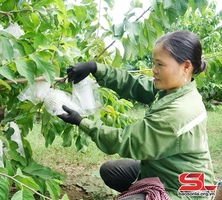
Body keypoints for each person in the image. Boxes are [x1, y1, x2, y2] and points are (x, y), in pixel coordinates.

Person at [58, 30, 216, 199]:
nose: (154, 70)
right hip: (166, 169)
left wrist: (81, 122)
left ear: (186, 67)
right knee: (110, 171)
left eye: (160, 65)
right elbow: (134, 85)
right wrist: (96, 68)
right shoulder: (173, 89)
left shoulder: (179, 111)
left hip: (187, 188)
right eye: (154, 63)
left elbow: (126, 140)